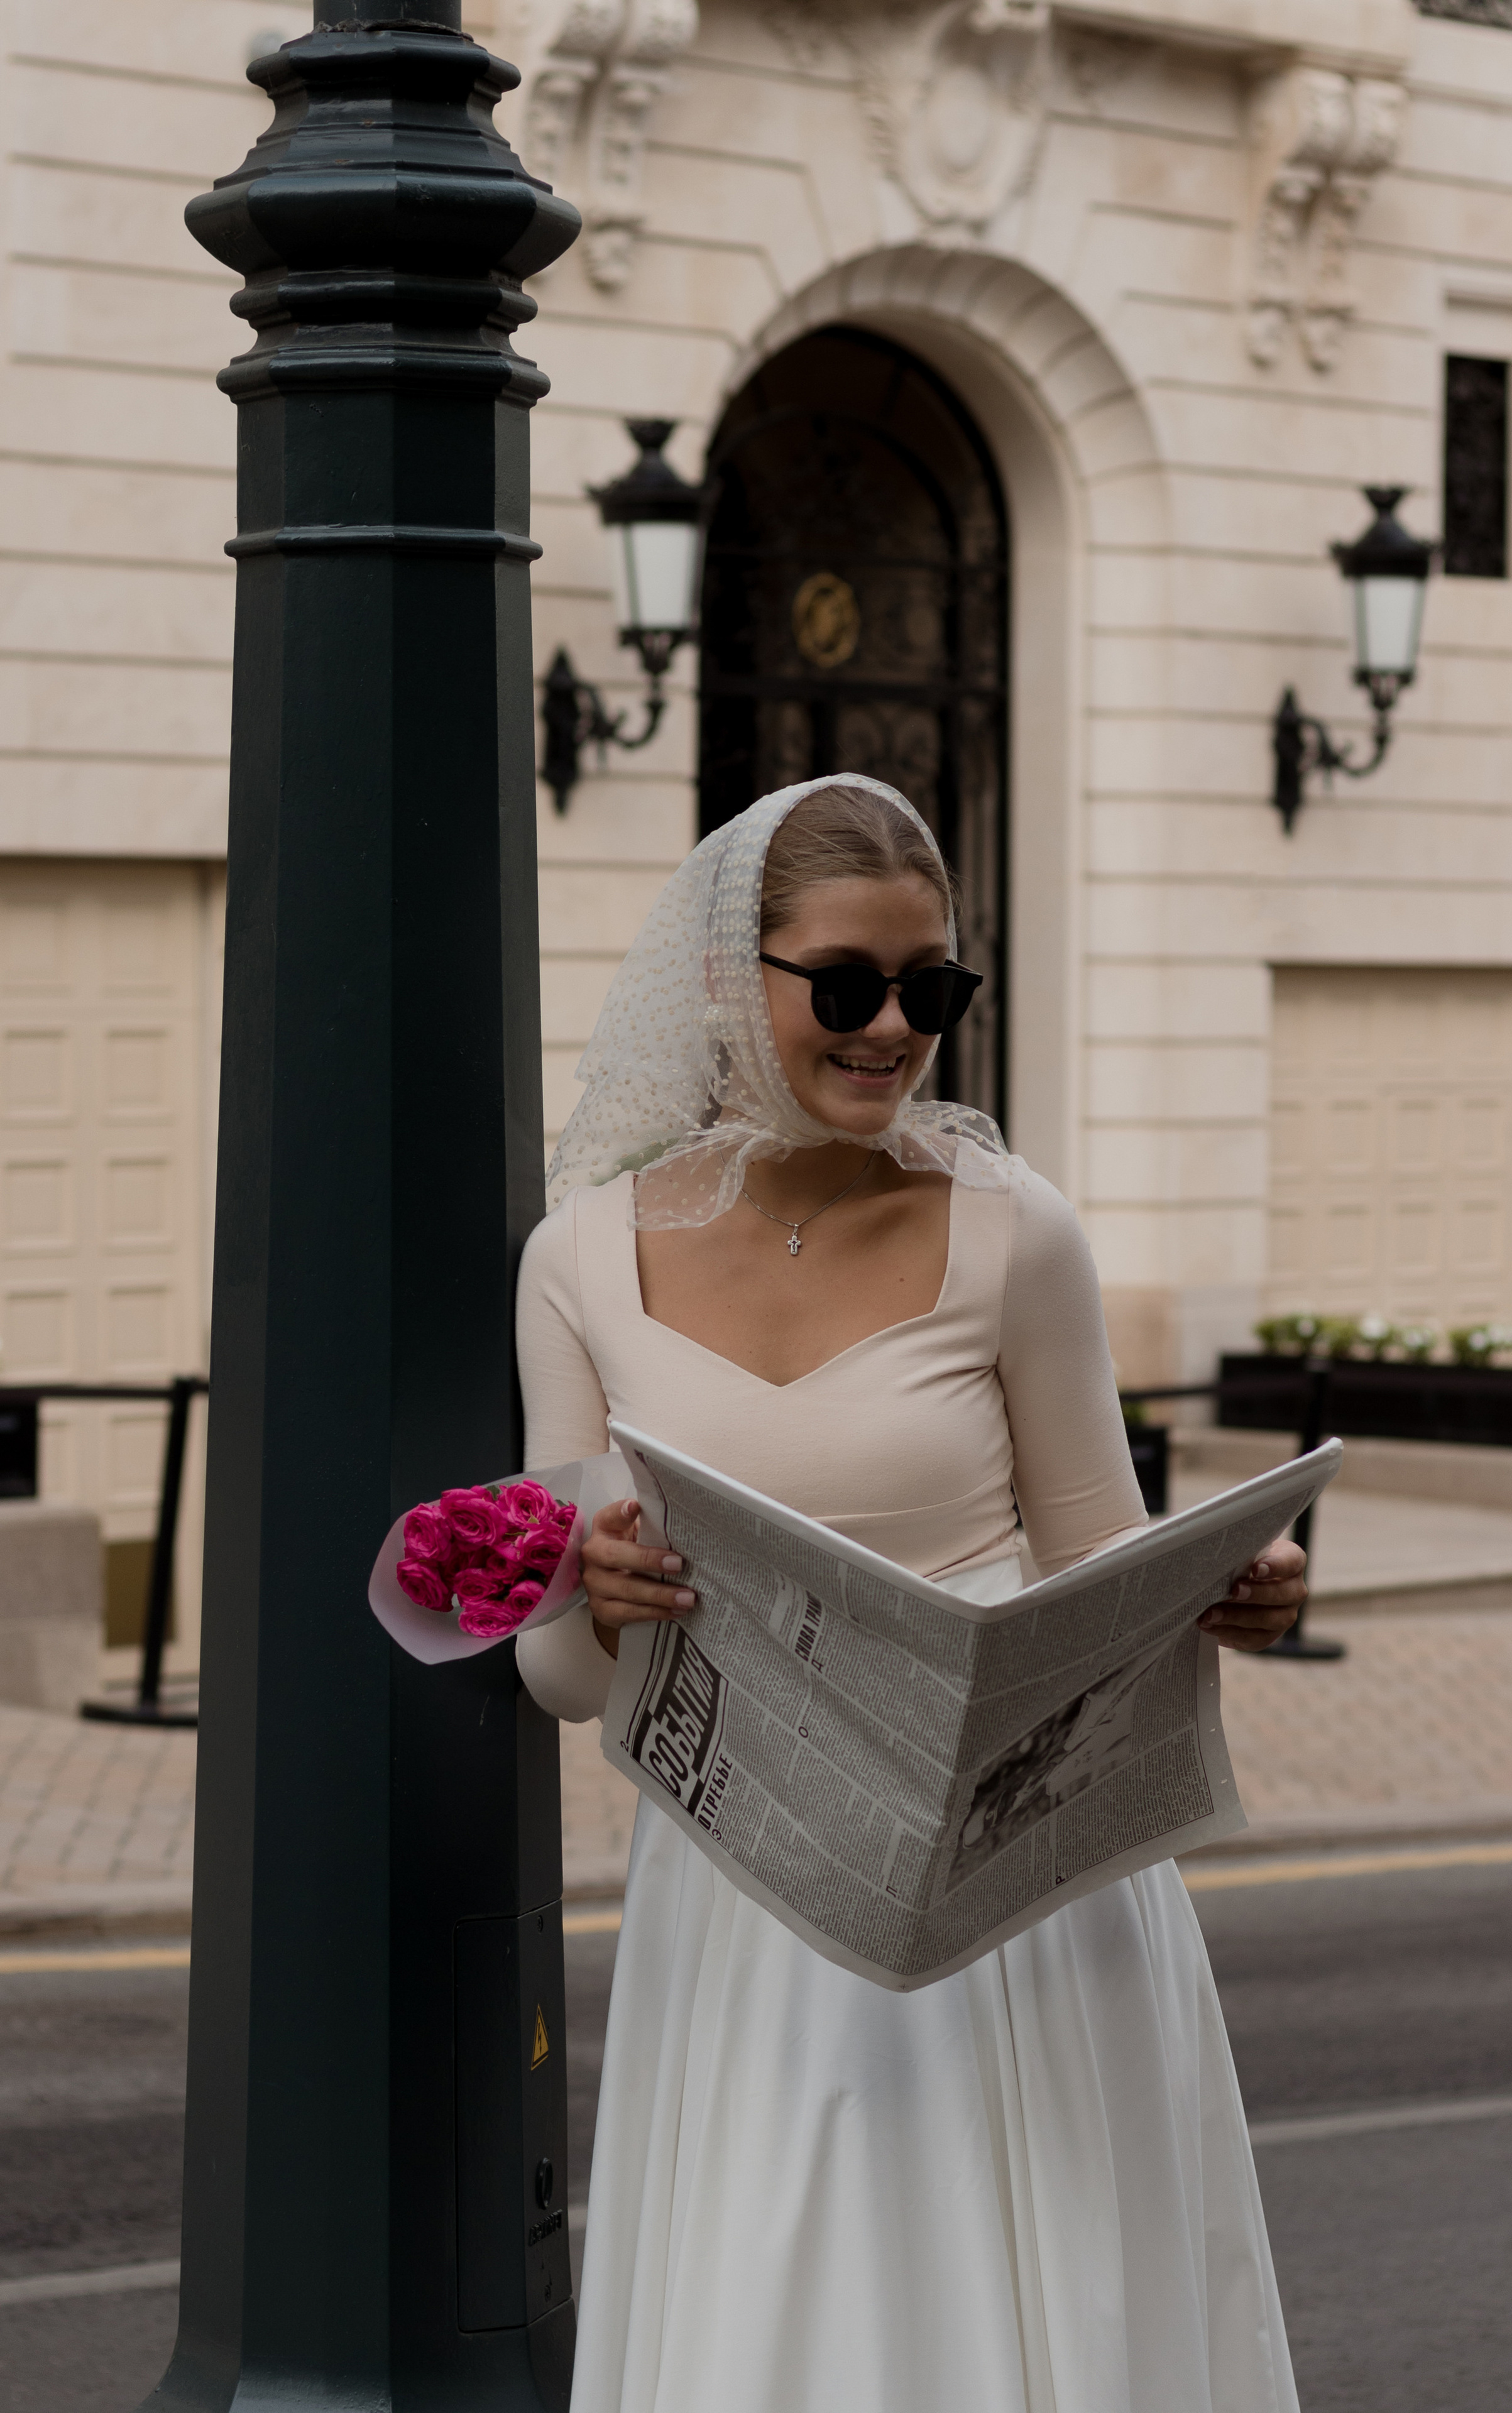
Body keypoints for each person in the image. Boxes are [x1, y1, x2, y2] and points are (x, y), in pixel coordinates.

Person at [515, 773, 1306, 2413]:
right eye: (851, 985)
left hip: (1021, 1899)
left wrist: (1222, 1590)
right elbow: (566, 1688)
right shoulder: (581, 1257)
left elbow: (1098, 1556)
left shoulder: (1019, 1234)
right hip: (752, 1899)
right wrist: (578, 1587)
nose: (893, 1030)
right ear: (741, 982)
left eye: (931, 990)